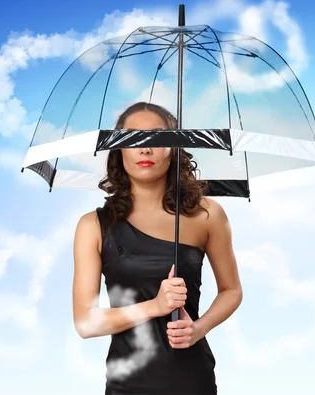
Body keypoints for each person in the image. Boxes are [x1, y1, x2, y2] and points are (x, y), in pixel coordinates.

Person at [72, 101, 243, 394]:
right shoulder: (93, 226)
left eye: (157, 137)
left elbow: (232, 290)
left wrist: (199, 328)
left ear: (173, 148)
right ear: (119, 149)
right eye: (133, 138)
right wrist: (155, 306)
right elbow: (86, 324)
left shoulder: (208, 215)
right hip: (128, 384)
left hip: (193, 380)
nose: (145, 148)